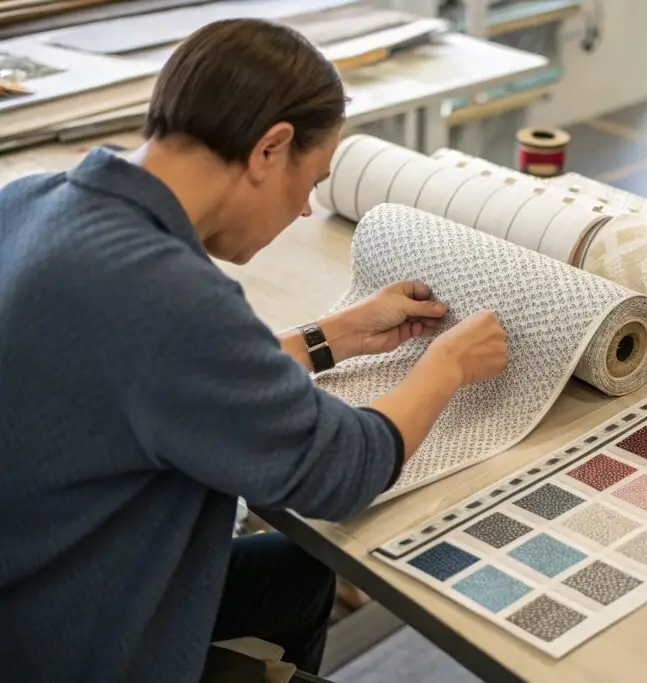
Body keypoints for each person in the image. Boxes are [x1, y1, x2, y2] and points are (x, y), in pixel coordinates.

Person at [0, 17, 509, 683]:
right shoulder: (172, 297)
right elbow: (344, 471)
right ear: (270, 149)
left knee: (299, 578)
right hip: (76, 638)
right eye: (312, 179)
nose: (304, 211)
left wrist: (332, 337)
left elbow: (153, 376)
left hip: (30, 583)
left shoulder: (34, 201)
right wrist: (446, 368)